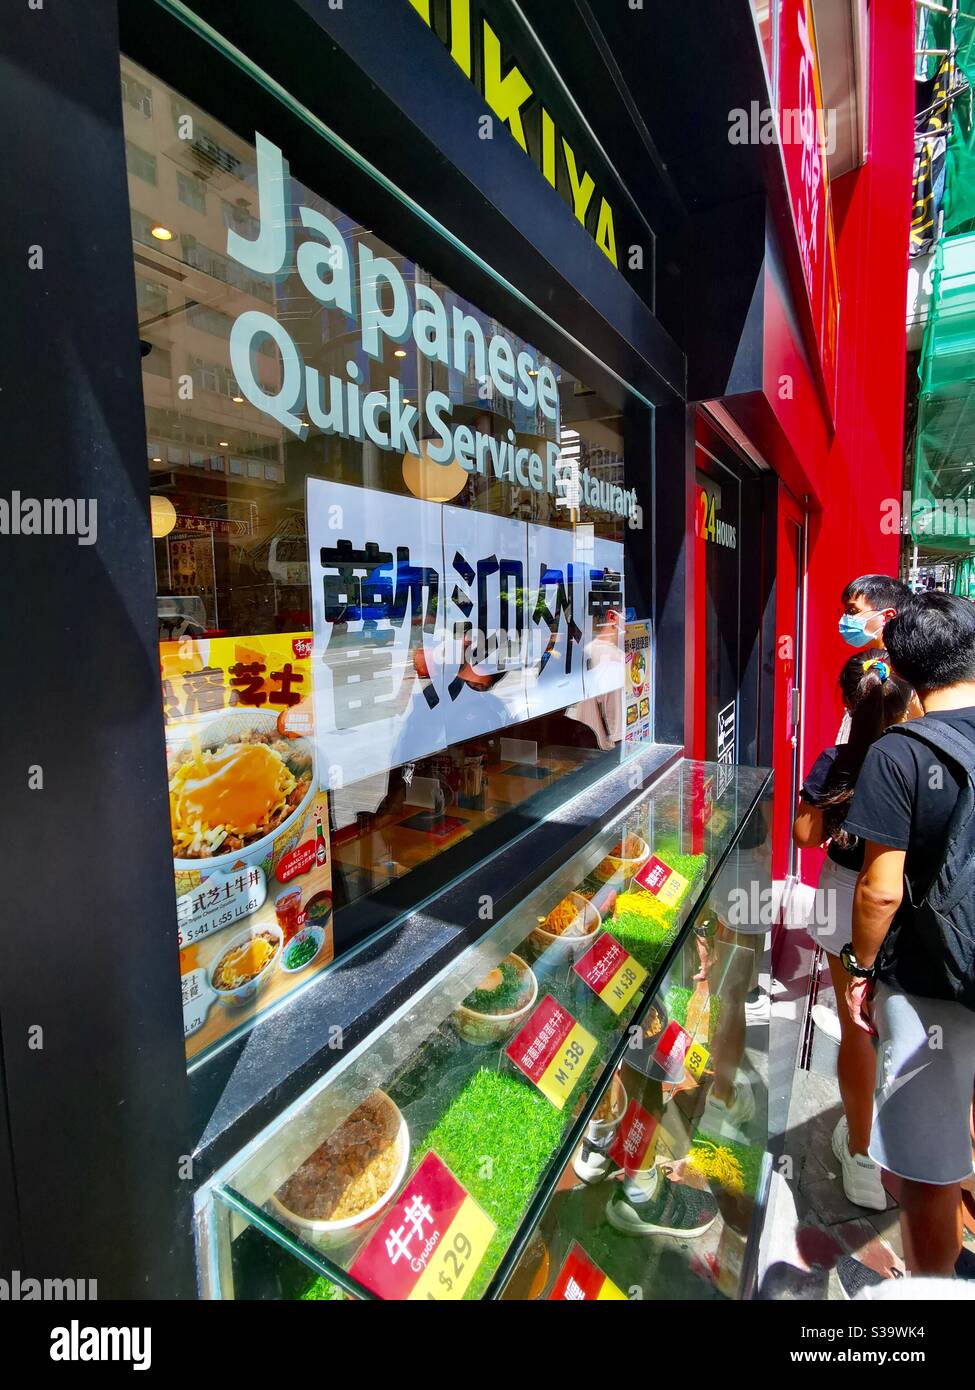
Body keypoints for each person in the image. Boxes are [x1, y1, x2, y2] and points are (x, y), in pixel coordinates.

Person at [842, 593, 975, 1277]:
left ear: (898, 665)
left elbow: (879, 888)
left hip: (930, 984)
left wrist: (860, 970)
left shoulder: (898, 753)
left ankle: (933, 1287)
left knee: (927, 1168)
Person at [793, 650, 920, 1210]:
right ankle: (908, 1141)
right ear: (911, 700)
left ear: (848, 703)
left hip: (843, 898)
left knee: (856, 1025)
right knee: (907, 1018)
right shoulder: (923, 758)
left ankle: (862, 1153)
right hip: (909, 904)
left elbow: (802, 834)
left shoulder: (835, 760)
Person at [838, 574, 912, 652]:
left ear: (888, 616)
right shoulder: (871, 658)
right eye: (846, 612)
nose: (844, 619)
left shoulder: (907, 661)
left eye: (852, 611)